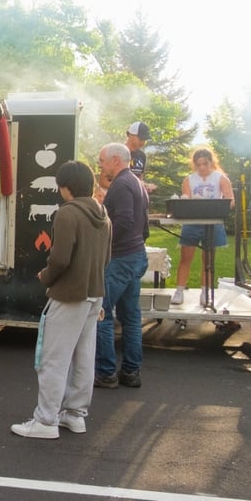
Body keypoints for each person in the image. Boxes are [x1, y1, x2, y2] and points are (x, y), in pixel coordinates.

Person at [11, 161, 112, 439]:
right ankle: (75, 415)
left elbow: (60, 259)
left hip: (69, 295)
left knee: (53, 359)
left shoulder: (67, 214)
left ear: (66, 187)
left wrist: (46, 275)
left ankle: (45, 421)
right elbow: (106, 259)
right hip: (95, 295)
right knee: (83, 357)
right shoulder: (103, 214)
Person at [94, 143, 149, 389]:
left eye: (102, 160)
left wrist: (102, 242)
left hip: (120, 259)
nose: (100, 165)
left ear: (116, 160)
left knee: (102, 313)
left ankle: (106, 373)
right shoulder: (136, 183)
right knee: (131, 316)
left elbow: (124, 220)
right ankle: (131, 371)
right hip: (135, 255)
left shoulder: (122, 184)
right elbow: (143, 224)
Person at [171, 148, 235, 307]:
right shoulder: (189, 180)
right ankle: (179, 291)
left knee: (208, 260)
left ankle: (205, 292)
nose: (201, 168)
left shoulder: (221, 178)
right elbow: (186, 199)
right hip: (192, 223)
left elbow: (230, 200)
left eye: (205, 164)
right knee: (185, 258)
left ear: (211, 162)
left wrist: (218, 207)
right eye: (198, 164)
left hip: (212, 223)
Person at [125, 121, 157, 192]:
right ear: (130, 135)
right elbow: (105, 181)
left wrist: (145, 186)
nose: (143, 142)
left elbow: (139, 179)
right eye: (141, 139)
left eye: (145, 140)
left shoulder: (142, 156)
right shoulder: (118, 151)